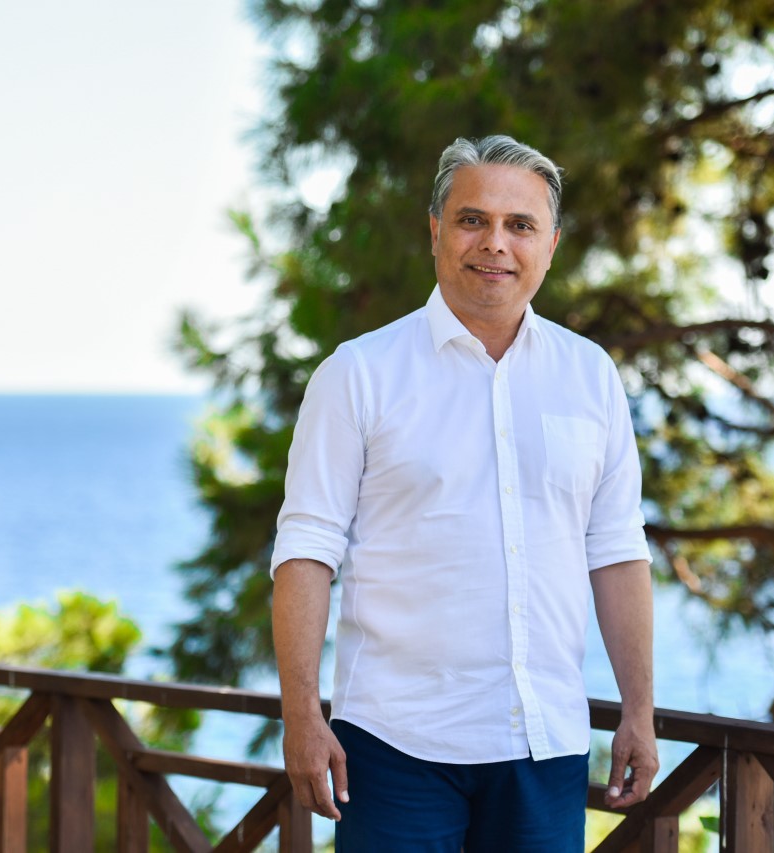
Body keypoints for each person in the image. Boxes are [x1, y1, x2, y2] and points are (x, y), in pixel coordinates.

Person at [270, 134, 657, 851]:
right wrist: (301, 714)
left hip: (545, 745)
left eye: (520, 225)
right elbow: (306, 548)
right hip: (393, 746)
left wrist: (640, 708)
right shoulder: (358, 373)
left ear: (551, 245)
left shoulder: (591, 375)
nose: (495, 243)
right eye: (472, 219)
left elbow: (615, 548)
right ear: (435, 231)